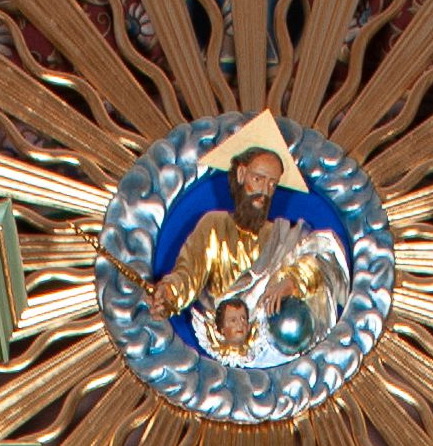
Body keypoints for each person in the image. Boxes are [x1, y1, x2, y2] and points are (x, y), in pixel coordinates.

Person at [147, 138, 348, 348]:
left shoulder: (284, 237)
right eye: (258, 179)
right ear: (241, 174)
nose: (264, 192)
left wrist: (292, 282)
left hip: (273, 346)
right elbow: (189, 273)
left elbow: (322, 260)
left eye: (272, 184)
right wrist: (168, 293)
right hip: (222, 345)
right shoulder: (214, 225)